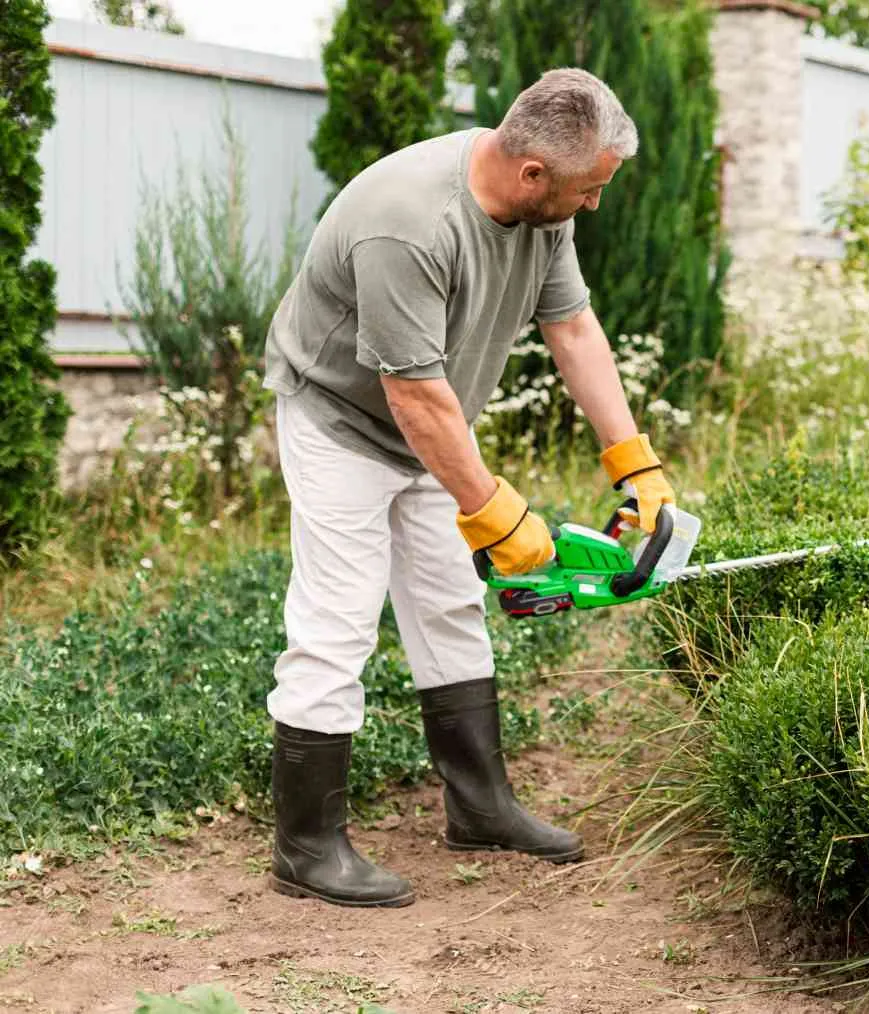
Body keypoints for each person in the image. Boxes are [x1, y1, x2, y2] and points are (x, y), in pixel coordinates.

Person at [258, 67, 675, 908]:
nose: (593, 205)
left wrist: (633, 459)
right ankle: (304, 846)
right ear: (534, 174)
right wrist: (491, 509)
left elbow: (573, 327)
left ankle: (480, 807)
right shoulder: (408, 224)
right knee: (338, 620)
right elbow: (410, 395)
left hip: (431, 424)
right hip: (341, 419)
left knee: (449, 601)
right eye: (589, 189)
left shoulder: (539, 213)